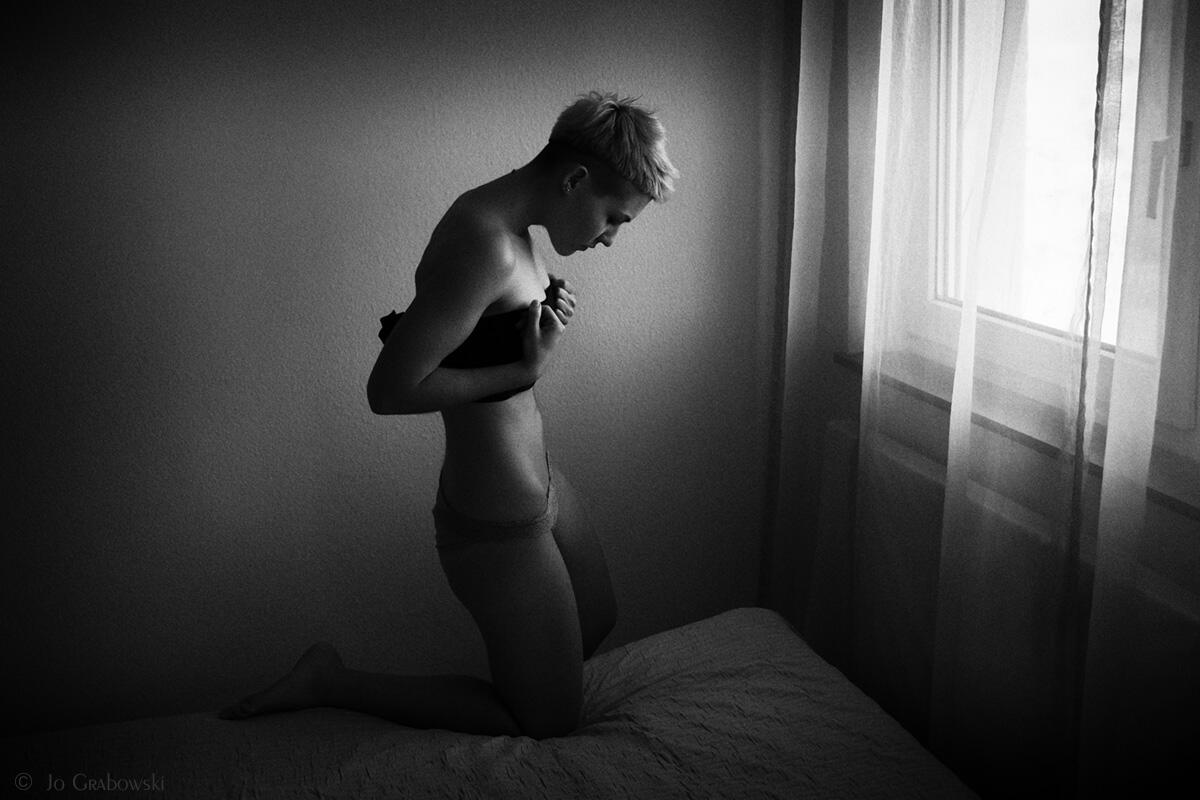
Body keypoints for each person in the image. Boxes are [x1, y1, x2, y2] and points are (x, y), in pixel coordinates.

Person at [218, 91, 678, 739]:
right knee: (548, 721)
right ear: (575, 179)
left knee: (597, 618)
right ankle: (330, 681)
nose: (609, 238)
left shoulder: (513, 230)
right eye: (614, 218)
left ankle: (534, 678)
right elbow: (390, 390)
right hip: (496, 515)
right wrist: (523, 369)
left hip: (540, 481)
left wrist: (540, 316)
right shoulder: (485, 244)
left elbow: (479, 327)